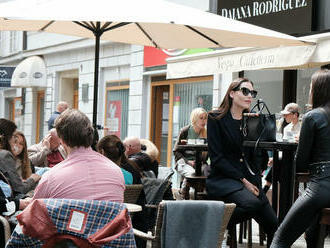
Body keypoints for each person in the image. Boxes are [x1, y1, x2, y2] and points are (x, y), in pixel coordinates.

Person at [206, 78, 278, 247]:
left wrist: (258, 174)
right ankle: (214, 223)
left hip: (249, 181)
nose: (249, 96)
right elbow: (217, 159)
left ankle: (217, 221)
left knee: (275, 227)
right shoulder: (215, 118)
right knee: (251, 204)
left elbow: (258, 153)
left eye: (252, 93)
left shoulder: (253, 120)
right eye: (245, 91)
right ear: (232, 93)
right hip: (224, 179)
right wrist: (244, 181)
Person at [270, 69, 330, 247]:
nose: (309, 91)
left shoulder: (313, 116)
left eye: (311, 87)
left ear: (318, 89)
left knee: (280, 239)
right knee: (312, 234)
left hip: (321, 188)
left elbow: (301, 161)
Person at [33, 109, 125, 202]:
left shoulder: (51, 177)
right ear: (91, 135)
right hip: (109, 216)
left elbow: (35, 210)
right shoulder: (116, 172)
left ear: (62, 141)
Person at [0, 119, 41, 196]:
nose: (15, 142)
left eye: (21, 143)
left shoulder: (26, 162)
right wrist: (32, 179)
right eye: (13, 137)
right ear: (7, 137)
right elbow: (19, 189)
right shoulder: (5, 155)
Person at [173, 107, 208, 196]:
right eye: (201, 118)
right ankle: (184, 192)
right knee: (191, 173)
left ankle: (199, 195)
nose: (204, 121)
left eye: (205, 118)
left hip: (199, 163)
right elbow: (176, 151)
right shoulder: (185, 131)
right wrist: (188, 162)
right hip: (183, 162)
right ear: (194, 119)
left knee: (208, 172)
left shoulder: (206, 133)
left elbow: (208, 152)